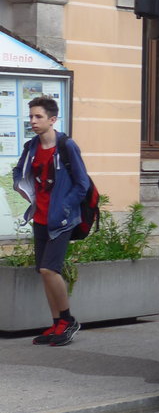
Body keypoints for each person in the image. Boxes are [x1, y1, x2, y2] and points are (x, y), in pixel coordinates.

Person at [11, 96, 89, 346]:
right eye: (31, 116)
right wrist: (22, 187)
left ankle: (68, 320)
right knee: (43, 273)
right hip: (40, 217)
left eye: (38, 116)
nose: (33, 121)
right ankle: (56, 324)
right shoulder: (31, 146)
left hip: (62, 220)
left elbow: (82, 184)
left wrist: (65, 206)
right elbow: (19, 170)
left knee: (49, 269)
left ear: (52, 119)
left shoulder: (67, 146)